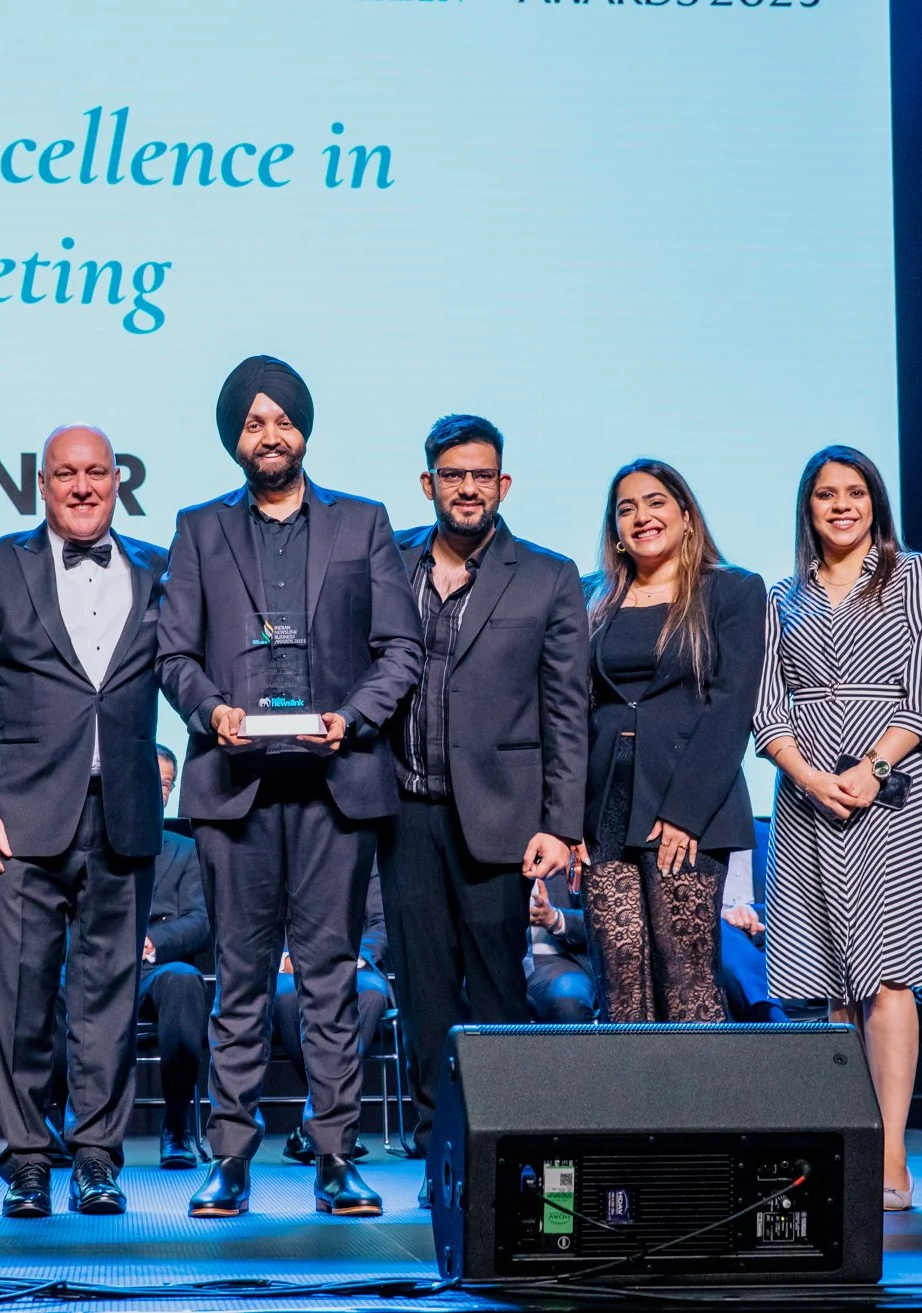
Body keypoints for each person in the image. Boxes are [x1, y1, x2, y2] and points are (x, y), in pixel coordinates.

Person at [157, 354, 421, 1219]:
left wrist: (353, 716)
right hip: (235, 784)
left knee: (327, 979)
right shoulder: (199, 528)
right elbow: (173, 654)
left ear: (304, 428)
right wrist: (210, 711)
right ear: (233, 437)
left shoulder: (363, 524)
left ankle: (336, 1155)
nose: (268, 435)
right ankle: (229, 1158)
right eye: (251, 423)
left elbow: (399, 651)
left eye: (281, 420)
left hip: (333, 783)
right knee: (237, 978)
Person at [0, 425, 169, 1219]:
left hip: (127, 814)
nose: (81, 486)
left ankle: (98, 1159)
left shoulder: (159, 567)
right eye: (65, 474)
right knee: (19, 997)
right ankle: (29, 1158)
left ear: (116, 479)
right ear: (41, 484)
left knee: (107, 999)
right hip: (20, 821)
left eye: (96, 472)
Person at [754, 445, 922, 1212]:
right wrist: (807, 775)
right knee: (832, 982)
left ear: (874, 500)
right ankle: (846, 1139)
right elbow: (766, 706)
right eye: (823, 495)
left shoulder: (915, 574)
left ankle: (892, 1151)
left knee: (889, 972)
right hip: (809, 796)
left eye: (854, 492)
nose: (840, 505)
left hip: (896, 794)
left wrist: (871, 766)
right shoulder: (783, 596)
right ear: (806, 509)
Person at [382, 412, 588, 1174]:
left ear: (502, 483)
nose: (467, 488)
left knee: (501, 987)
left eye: (481, 475)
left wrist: (560, 823)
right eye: (453, 474)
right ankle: (440, 1147)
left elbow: (566, 709)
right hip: (401, 812)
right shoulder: (388, 559)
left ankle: (508, 1144)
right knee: (424, 988)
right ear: (428, 482)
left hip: (502, 818)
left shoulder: (547, 574)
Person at [581, 459, 765, 1023]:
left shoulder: (732, 589)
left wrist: (685, 813)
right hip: (605, 803)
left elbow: (732, 707)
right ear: (615, 528)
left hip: (690, 805)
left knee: (687, 979)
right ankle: (631, 1114)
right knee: (620, 985)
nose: (642, 516)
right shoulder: (591, 597)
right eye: (627, 507)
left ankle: (704, 1113)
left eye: (656, 502)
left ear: (686, 515)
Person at [274, 865, 390, 1164]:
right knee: (287, 999)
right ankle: (336, 1120)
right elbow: (264, 919)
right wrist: (289, 957)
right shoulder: (277, 847)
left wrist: (357, 958)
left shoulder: (360, 853)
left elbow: (380, 922)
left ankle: (320, 1115)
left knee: (372, 995)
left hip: (352, 964)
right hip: (292, 968)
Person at [146, 745, 212, 1169]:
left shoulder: (185, 850)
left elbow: (201, 921)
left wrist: (153, 943)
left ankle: (176, 1126)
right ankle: (55, 1120)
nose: (159, 790)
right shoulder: (91, 839)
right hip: (98, 960)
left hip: (154, 966)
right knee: (53, 982)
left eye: (166, 783)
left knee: (185, 980)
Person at [525, 871, 596, 1025]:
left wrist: (556, 919)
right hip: (496, 959)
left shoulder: (574, 853)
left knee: (568, 1002)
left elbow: (605, 920)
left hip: (560, 960)